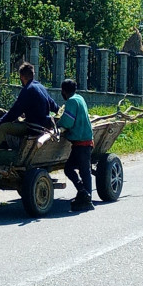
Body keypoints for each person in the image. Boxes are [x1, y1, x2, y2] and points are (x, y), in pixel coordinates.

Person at [0, 62, 60, 153]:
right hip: (41, 124)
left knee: (3, 127)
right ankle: (2, 145)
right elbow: (54, 106)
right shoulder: (41, 87)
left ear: (21, 77)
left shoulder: (27, 90)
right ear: (33, 75)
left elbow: (14, 113)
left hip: (33, 127)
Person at [57, 78, 94, 212]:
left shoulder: (72, 101)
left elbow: (67, 121)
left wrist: (57, 124)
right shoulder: (80, 98)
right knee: (84, 171)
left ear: (64, 91)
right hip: (85, 140)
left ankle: (85, 195)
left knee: (73, 169)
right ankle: (85, 194)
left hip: (81, 142)